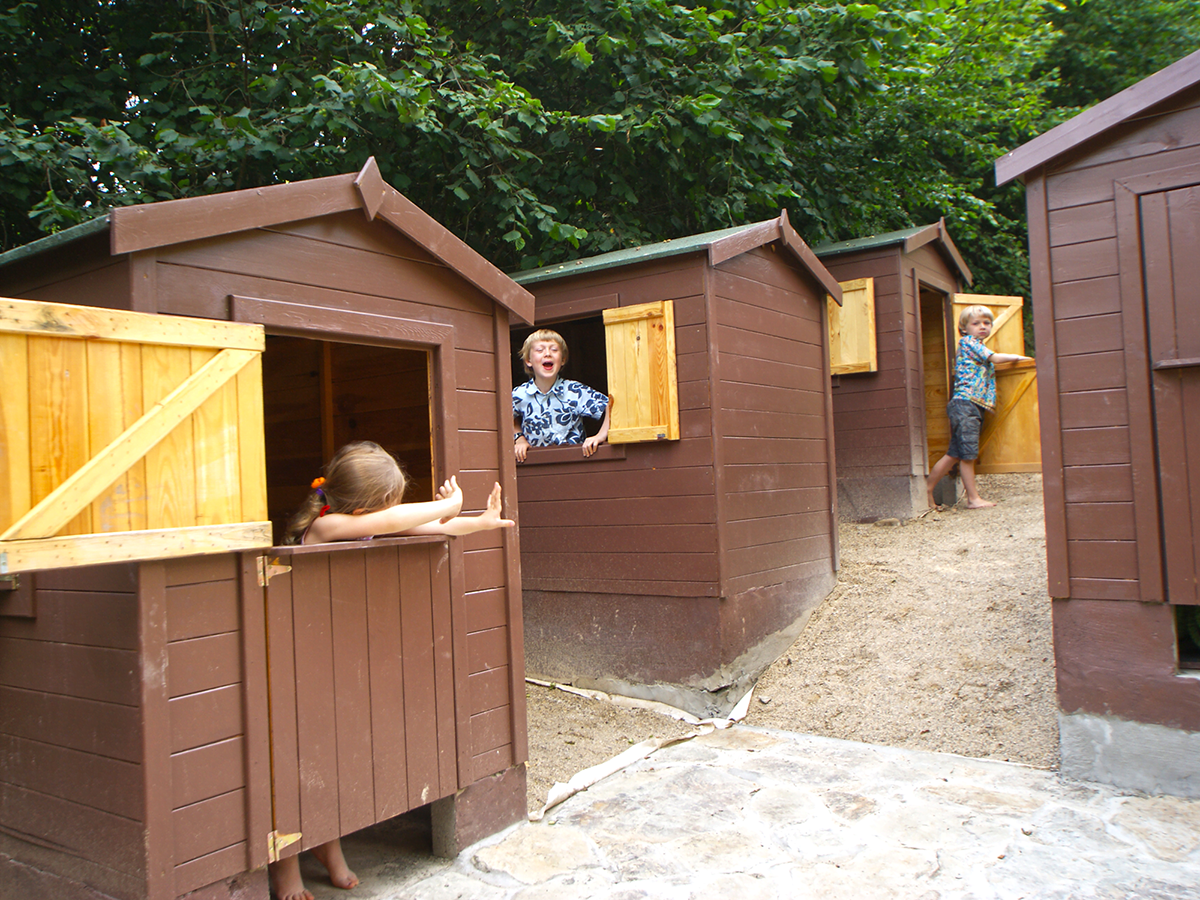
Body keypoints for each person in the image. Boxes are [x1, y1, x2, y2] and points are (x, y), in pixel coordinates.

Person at [273, 441, 514, 900]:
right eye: (389, 502)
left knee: (332, 755)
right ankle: (287, 868)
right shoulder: (328, 526)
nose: (394, 510)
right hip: (297, 658)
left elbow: (426, 527)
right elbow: (393, 521)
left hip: (333, 655)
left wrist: (474, 522)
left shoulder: (359, 522)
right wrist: (448, 503)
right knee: (294, 758)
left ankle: (328, 844)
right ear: (363, 506)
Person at [926, 305, 1031, 510]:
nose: (982, 327)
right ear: (964, 328)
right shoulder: (969, 342)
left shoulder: (976, 345)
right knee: (968, 455)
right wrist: (1018, 357)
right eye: (976, 323)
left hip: (967, 405)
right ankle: (973, 499)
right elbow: (995, 358)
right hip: (966, 404)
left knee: (955, 454)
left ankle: (928, 490)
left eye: (986, 323)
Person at [512, 328, 611, 462]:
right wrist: (519, 438)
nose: (547, 354)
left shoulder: (575, 391)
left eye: (554, 349)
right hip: (536, 465)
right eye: (540, 350)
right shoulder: (519, 394)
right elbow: (507, 417)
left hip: (574, 463)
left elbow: (610, 406)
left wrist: (601, 435)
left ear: (563, 360)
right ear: (528, 360)